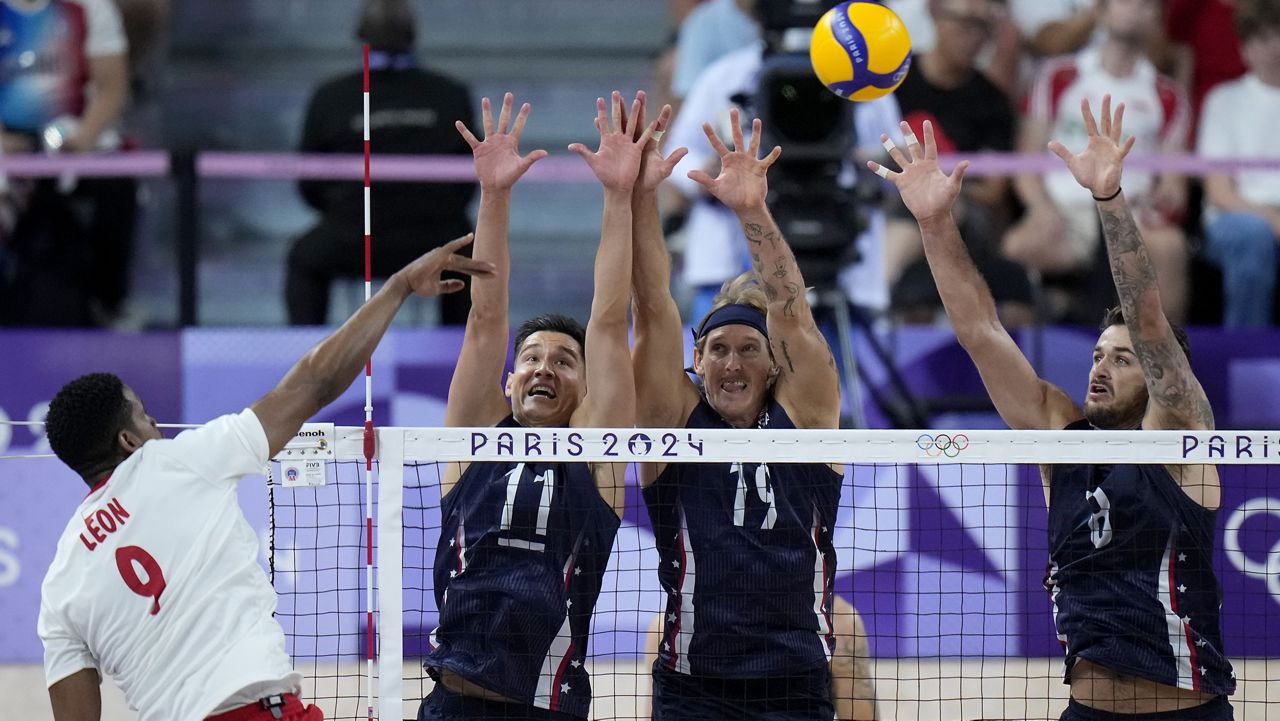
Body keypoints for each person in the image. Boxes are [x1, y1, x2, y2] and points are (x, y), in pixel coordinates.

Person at [870, 97, 1234, 719]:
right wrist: (935, 223)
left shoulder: (1181, 436)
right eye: (1098, 354)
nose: (1099, 366)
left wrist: (1110, 199)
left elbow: (1148, 319)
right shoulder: (1059, 437)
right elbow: (981, 330)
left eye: (1122, 360)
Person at [37, 237, 492, 721]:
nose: (158, 427)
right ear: (129, 441)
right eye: (147, 418)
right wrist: (398, 286)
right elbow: (313, 383)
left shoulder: (58, 586)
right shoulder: (173, 462)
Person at [416, 91, 653, 721]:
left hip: (547, 705)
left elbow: (607, 321)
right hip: (452, 702)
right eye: (532, 358)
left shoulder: (599, 458)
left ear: (582, 391)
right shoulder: (472, 444)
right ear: (511, 378)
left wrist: (618, 197)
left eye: (563, 361)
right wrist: (494, 195)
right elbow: (485, 318)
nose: (544, 367)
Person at [631, 104, 845, 720]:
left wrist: (752, 211)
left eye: (749, 349)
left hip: (795, 683)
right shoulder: (675, 425)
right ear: (696, 359)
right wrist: (639, 197)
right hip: (694, 686)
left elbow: (792, 311)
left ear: (772, 363)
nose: (731, 364)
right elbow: (651, 308)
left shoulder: (804, 421)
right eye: (718, 350)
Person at [285, 0, 476, 326]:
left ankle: (308, 365)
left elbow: (308, 184)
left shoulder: (331, 96)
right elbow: (469, 181)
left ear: (361, 36)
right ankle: (462, 358)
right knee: (467, 253)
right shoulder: (450, 94)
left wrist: (346, 214)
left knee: (305, 259)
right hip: (434, 236)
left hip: (353, 238)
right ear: (413, 35)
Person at [1004, 0, 1191, 324]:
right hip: (1066, 213)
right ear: (1101, 11)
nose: (1136, 8)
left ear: (1157, 20)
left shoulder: (1169, 94)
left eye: (1146, 5)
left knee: (1171, 248)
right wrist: (1041, 207)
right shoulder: (1057, 76)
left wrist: (1158, 204)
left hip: (1131, 216)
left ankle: (1167, 366)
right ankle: (1050, 327)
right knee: (1015, 249)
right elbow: (1027, 159)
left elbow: (1175, 186)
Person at [0, 0, 134, 327]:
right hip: (6, 142)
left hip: (74, 136)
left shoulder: (88, 7)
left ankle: (108, 302)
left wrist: (83, 139)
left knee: (118, 188)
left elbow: (112, 87)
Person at [1196, 0, 1280, 328]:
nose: (1275, 47)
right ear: (1245, 48)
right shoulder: (1224, 101)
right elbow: (1220, 192)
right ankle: (1246, 352)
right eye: (1264, 38)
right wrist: (1272, 219)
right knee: (1253, 237)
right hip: (1235, 218)